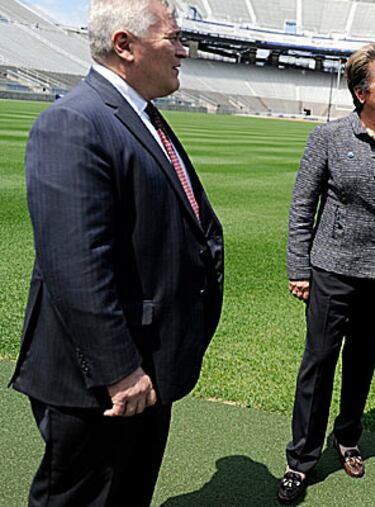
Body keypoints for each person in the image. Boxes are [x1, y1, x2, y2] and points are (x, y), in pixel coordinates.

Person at [9, 0, 224, 505]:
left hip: (146, 365)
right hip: (105, 383)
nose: (183, 50)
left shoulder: (140, 115)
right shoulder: (73, 122)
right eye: (172, 39)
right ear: (125, 45)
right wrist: (118, 371)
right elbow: (75, 264)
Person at [279, 41, 375, 504]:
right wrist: (299, 268)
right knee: (319, 364)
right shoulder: (328, 138)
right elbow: (303, 207)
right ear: (362, 92)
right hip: (333, 272)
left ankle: (347, 438)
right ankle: (300, 459)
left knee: (362, 362)